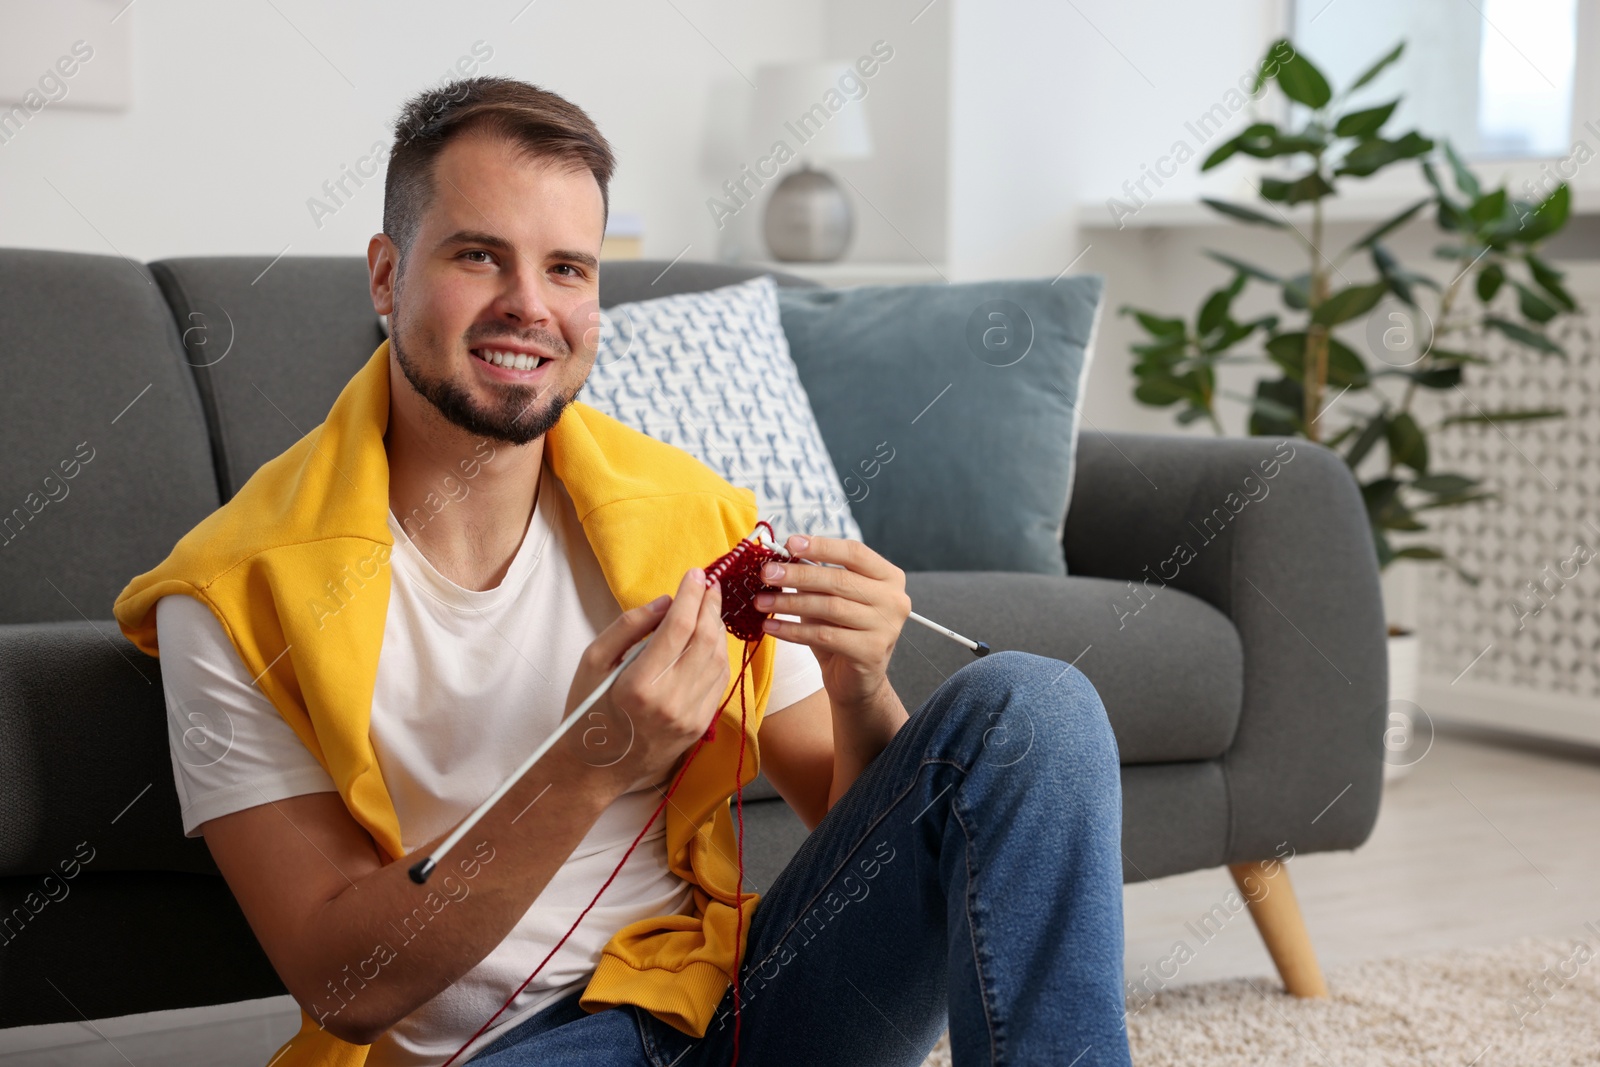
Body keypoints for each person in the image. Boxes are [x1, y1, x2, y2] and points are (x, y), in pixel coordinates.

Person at [112, 76, 1131, 1067]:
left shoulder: (692, 518)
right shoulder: (236, 594)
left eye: (567, 268)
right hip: (509, 1048)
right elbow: (347, 981)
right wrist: (596, 753)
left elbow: (857, 835)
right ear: (385, 274)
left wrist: (862, 682)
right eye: (479, 255)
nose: (529, 306)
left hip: (734, 1006)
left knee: (1036, 704)